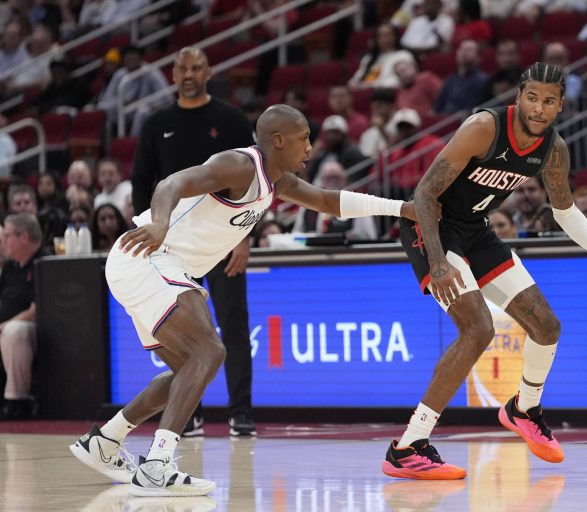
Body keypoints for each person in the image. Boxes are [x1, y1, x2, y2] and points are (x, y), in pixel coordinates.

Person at [70, 103, 416, 495]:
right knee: (210, 352)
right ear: (278, 140)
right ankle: (157, 464)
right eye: (303, 139)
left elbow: (328, 202)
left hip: (148, 266)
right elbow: (172, 183)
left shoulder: (278, 182)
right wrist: (161, 223)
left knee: (187, 371)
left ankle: (104, 441)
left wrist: (402, 208)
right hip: (150, 257)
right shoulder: (240, 165)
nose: (310, 147)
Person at [390, 62, 587, 480]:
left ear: (560, 105)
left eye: (549, 101)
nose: (539, 107)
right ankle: (409, 446)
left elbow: (565, 211)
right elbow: (424, 191)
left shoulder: (553, 150)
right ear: (519, 97)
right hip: (429, 225)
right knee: (478, 329)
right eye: (532, 97)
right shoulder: (483, 128)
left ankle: (524, 408)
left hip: (474, 230)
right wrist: (439, 261)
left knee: (547, 326)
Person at [130, 47, 257, 438]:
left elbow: (254, 182)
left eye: (196, 67)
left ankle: (241, 412)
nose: (189, 73)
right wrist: (148, 228)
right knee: (182, 331)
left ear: (209, 71)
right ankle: (190, 414)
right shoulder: (156, 124)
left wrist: (244, 238)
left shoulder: (232, 120)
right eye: (182, 68)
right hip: (172, 246)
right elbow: (141, 182)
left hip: (222, 241)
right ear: (172, 74)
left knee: (233, 326)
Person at [0, 214, 45, 420]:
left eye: (7, 235)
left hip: (37, 331)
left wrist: (5, 324)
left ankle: (16, 401)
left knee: (14, 331)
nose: (3, 241)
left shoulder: (43, 263)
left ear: (23, 237)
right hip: (6, 327)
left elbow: (37, 310)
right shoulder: (10, 266)